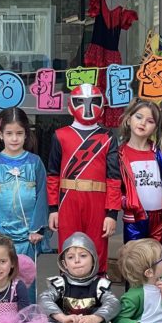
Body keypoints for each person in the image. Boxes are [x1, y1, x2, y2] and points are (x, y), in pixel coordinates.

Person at [47, 84, 121, 274]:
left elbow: (114, 178)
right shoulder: (60, 136)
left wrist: (112, 214)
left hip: (97, 202)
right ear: (71, 106)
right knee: (69, 248)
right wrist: (53, 209)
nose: (87, 107)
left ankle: (99, 289)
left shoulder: (107, 137)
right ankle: (67, 287)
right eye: (81, 102)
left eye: (93, 101)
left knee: (97, 248)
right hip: (68, 200)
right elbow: (53, 175)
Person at [39, 231, 120, 323]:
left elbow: (114, 303)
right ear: (64, 263)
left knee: (103, 322)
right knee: (47, 320)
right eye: (71, 257)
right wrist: (62, 318)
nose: (77, 261)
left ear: (93, 259)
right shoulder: (61, 283)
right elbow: (44, 298)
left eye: (83, 256)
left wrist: (95, 318)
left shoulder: (99, 284)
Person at [0, 107, 50, 260]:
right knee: (2, 271)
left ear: (26, 134)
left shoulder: (35, 162)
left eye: (19, 133)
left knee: (26, 272)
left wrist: (37, 229)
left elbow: (42, 196)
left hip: (29, 236)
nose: (14, 138)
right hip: (1, 234)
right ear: (0, 134)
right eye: (9, 133)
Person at [118, 99, 162, 245]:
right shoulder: (120, 154)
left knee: (158, 254)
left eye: (150, 121)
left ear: (155, 128)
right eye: (138, 117)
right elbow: (114, 186)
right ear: (128, 119)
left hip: (160, 218)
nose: (143, 123)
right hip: (134, 217)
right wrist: (125, 202)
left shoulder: (160, 153)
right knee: (134, 254)